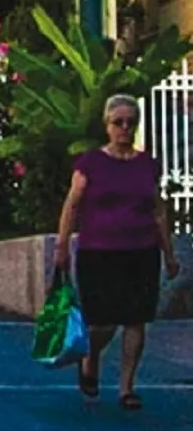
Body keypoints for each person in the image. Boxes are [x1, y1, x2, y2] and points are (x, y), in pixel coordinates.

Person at [56, 93, 181, 409]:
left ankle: (127, 386)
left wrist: (169, 253)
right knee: (103, 321)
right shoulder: (91, 163)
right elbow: (72, 205)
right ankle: (91, 358)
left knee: (136, 319)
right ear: (107, 125)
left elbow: (158, 210)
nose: (125, 128)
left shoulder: (146, 165)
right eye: (118, 122)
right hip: (99, 251)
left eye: (130, 122)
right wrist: (62, 245)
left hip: (140, 250)